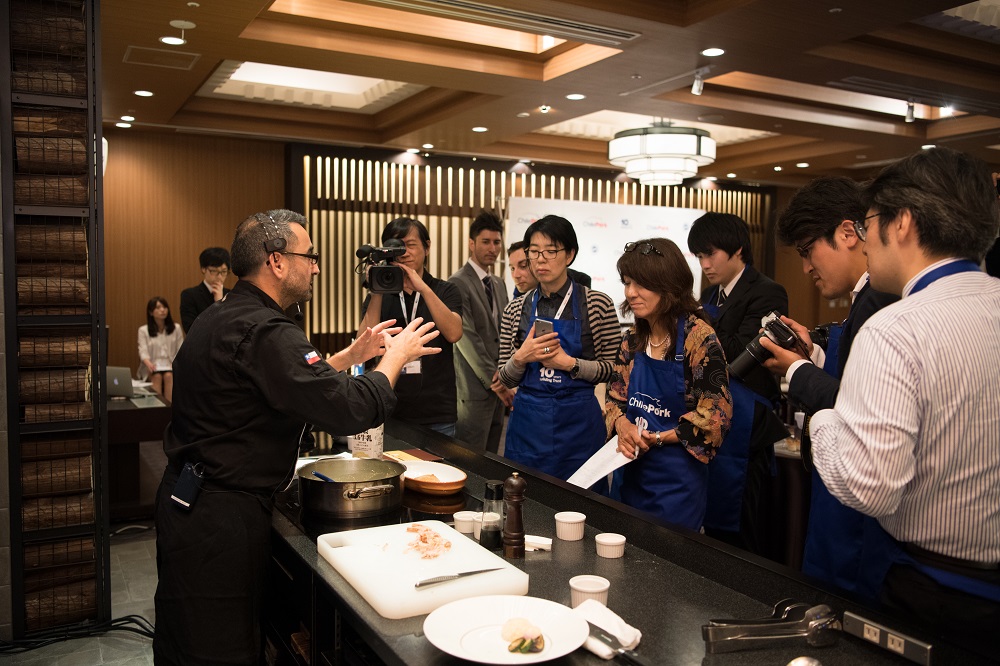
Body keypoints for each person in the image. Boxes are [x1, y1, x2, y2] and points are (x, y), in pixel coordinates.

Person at [153, 209, 441, 665]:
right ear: (277, 261)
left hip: (190, 500)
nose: (317, 267)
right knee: (217, 649)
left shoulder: (224, 314)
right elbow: (349, 409)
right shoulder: (268, 330)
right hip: (219, 518)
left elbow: (291, 384)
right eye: (311, 256)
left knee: (189, 639)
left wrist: (349, 355)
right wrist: (396, 358)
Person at [805, 148, 1000, 655]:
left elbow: (869, 489)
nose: (864, 241)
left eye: (869, 222)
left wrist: (823, 420)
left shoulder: (896, 328)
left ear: (903, 223)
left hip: (931, 589)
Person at [762, 176, 898, 598]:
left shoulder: (881, 301)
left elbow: (860, 407)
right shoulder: (865, 300)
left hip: (858, 510)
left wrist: (799, 370)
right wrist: (813, 356)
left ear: (846, 233)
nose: (805, 268)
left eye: (807, 251)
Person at [603, 238, 732, 530]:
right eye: (626, 282)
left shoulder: (699, 338)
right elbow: (614, 399)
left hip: (676, 484)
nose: (630, 293)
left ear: (669, 285)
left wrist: (658, 438)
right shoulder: (633, 339)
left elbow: (715, 418)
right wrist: (622, 426)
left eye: (641, 284)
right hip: (629, 475)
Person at [687, 212, 789, 555]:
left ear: (738, 250)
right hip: (714, 415)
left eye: (710, 254)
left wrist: (702, 327)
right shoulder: (710, 294)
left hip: (749, 422)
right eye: (699, 256)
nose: (704, 264)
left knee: (744, 521)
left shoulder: (767, 292)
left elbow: (745, 356)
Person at [497, 215, 619, 481]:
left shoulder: (598, 305)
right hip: (528, 425)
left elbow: (614, 369)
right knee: (525, 504)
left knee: (582, 506)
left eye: (551, 251)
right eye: (534, 252)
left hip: (578, 426)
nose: (541, 260)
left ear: (570, 254)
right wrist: (520, 358)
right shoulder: (515, 309)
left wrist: (569, 364)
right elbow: (504, 377)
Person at [359, 217, 464, 436]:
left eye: (410, 244)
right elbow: (363, 347)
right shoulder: (380, 295)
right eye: (395, 246)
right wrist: (377, 290)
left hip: (437, 411)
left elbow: (454, 333)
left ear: (427, 247)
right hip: (390, 409)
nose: (403, 252)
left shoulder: (445, 291)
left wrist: (423, 288)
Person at [449, 212, 509, 453]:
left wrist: (506, 377)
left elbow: (504, 333)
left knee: (494, 456)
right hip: (474, 388)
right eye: (486, 242)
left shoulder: (499, 283)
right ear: (471, 243)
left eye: (496, 242)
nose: (492, 248)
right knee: (471, 457)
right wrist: (496, 380)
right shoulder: (458, 282)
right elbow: (467, 337)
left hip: (500, 385)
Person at [137, 296, 184, 402]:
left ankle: (169, 410)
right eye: (158, 307)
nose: (162, 310)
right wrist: (149, 364)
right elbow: (142, 351)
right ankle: (158, 409)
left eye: (164, 307)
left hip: (171, 365)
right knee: (157, 376)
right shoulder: (143, 330)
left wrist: (175, 364)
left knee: (168, 376)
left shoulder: (176, 328)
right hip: (152, 365)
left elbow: (180, 349)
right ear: (151, 312)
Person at [179, 246, 231, 332]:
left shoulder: (232, 294)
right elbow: (190, 329)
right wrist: (218, 304)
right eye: (214, 271)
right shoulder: (189, 295)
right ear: (203, 269)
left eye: (223, 272)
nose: (219, 276)